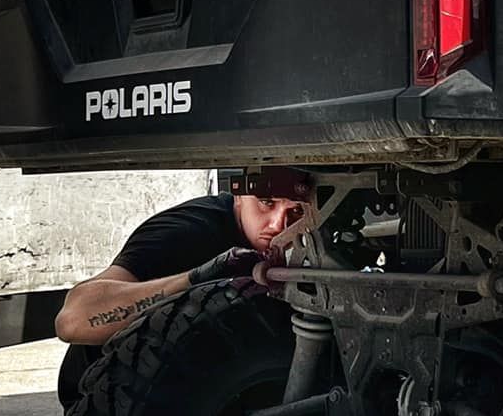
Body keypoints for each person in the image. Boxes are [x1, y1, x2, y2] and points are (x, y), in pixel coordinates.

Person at [54, 168, 314, 403]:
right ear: (239, 196)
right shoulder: (186, 231)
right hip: (110, 406)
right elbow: (72, 321)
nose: (278, 225)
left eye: (297, 212)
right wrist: (196, 278)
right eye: (266, 203)